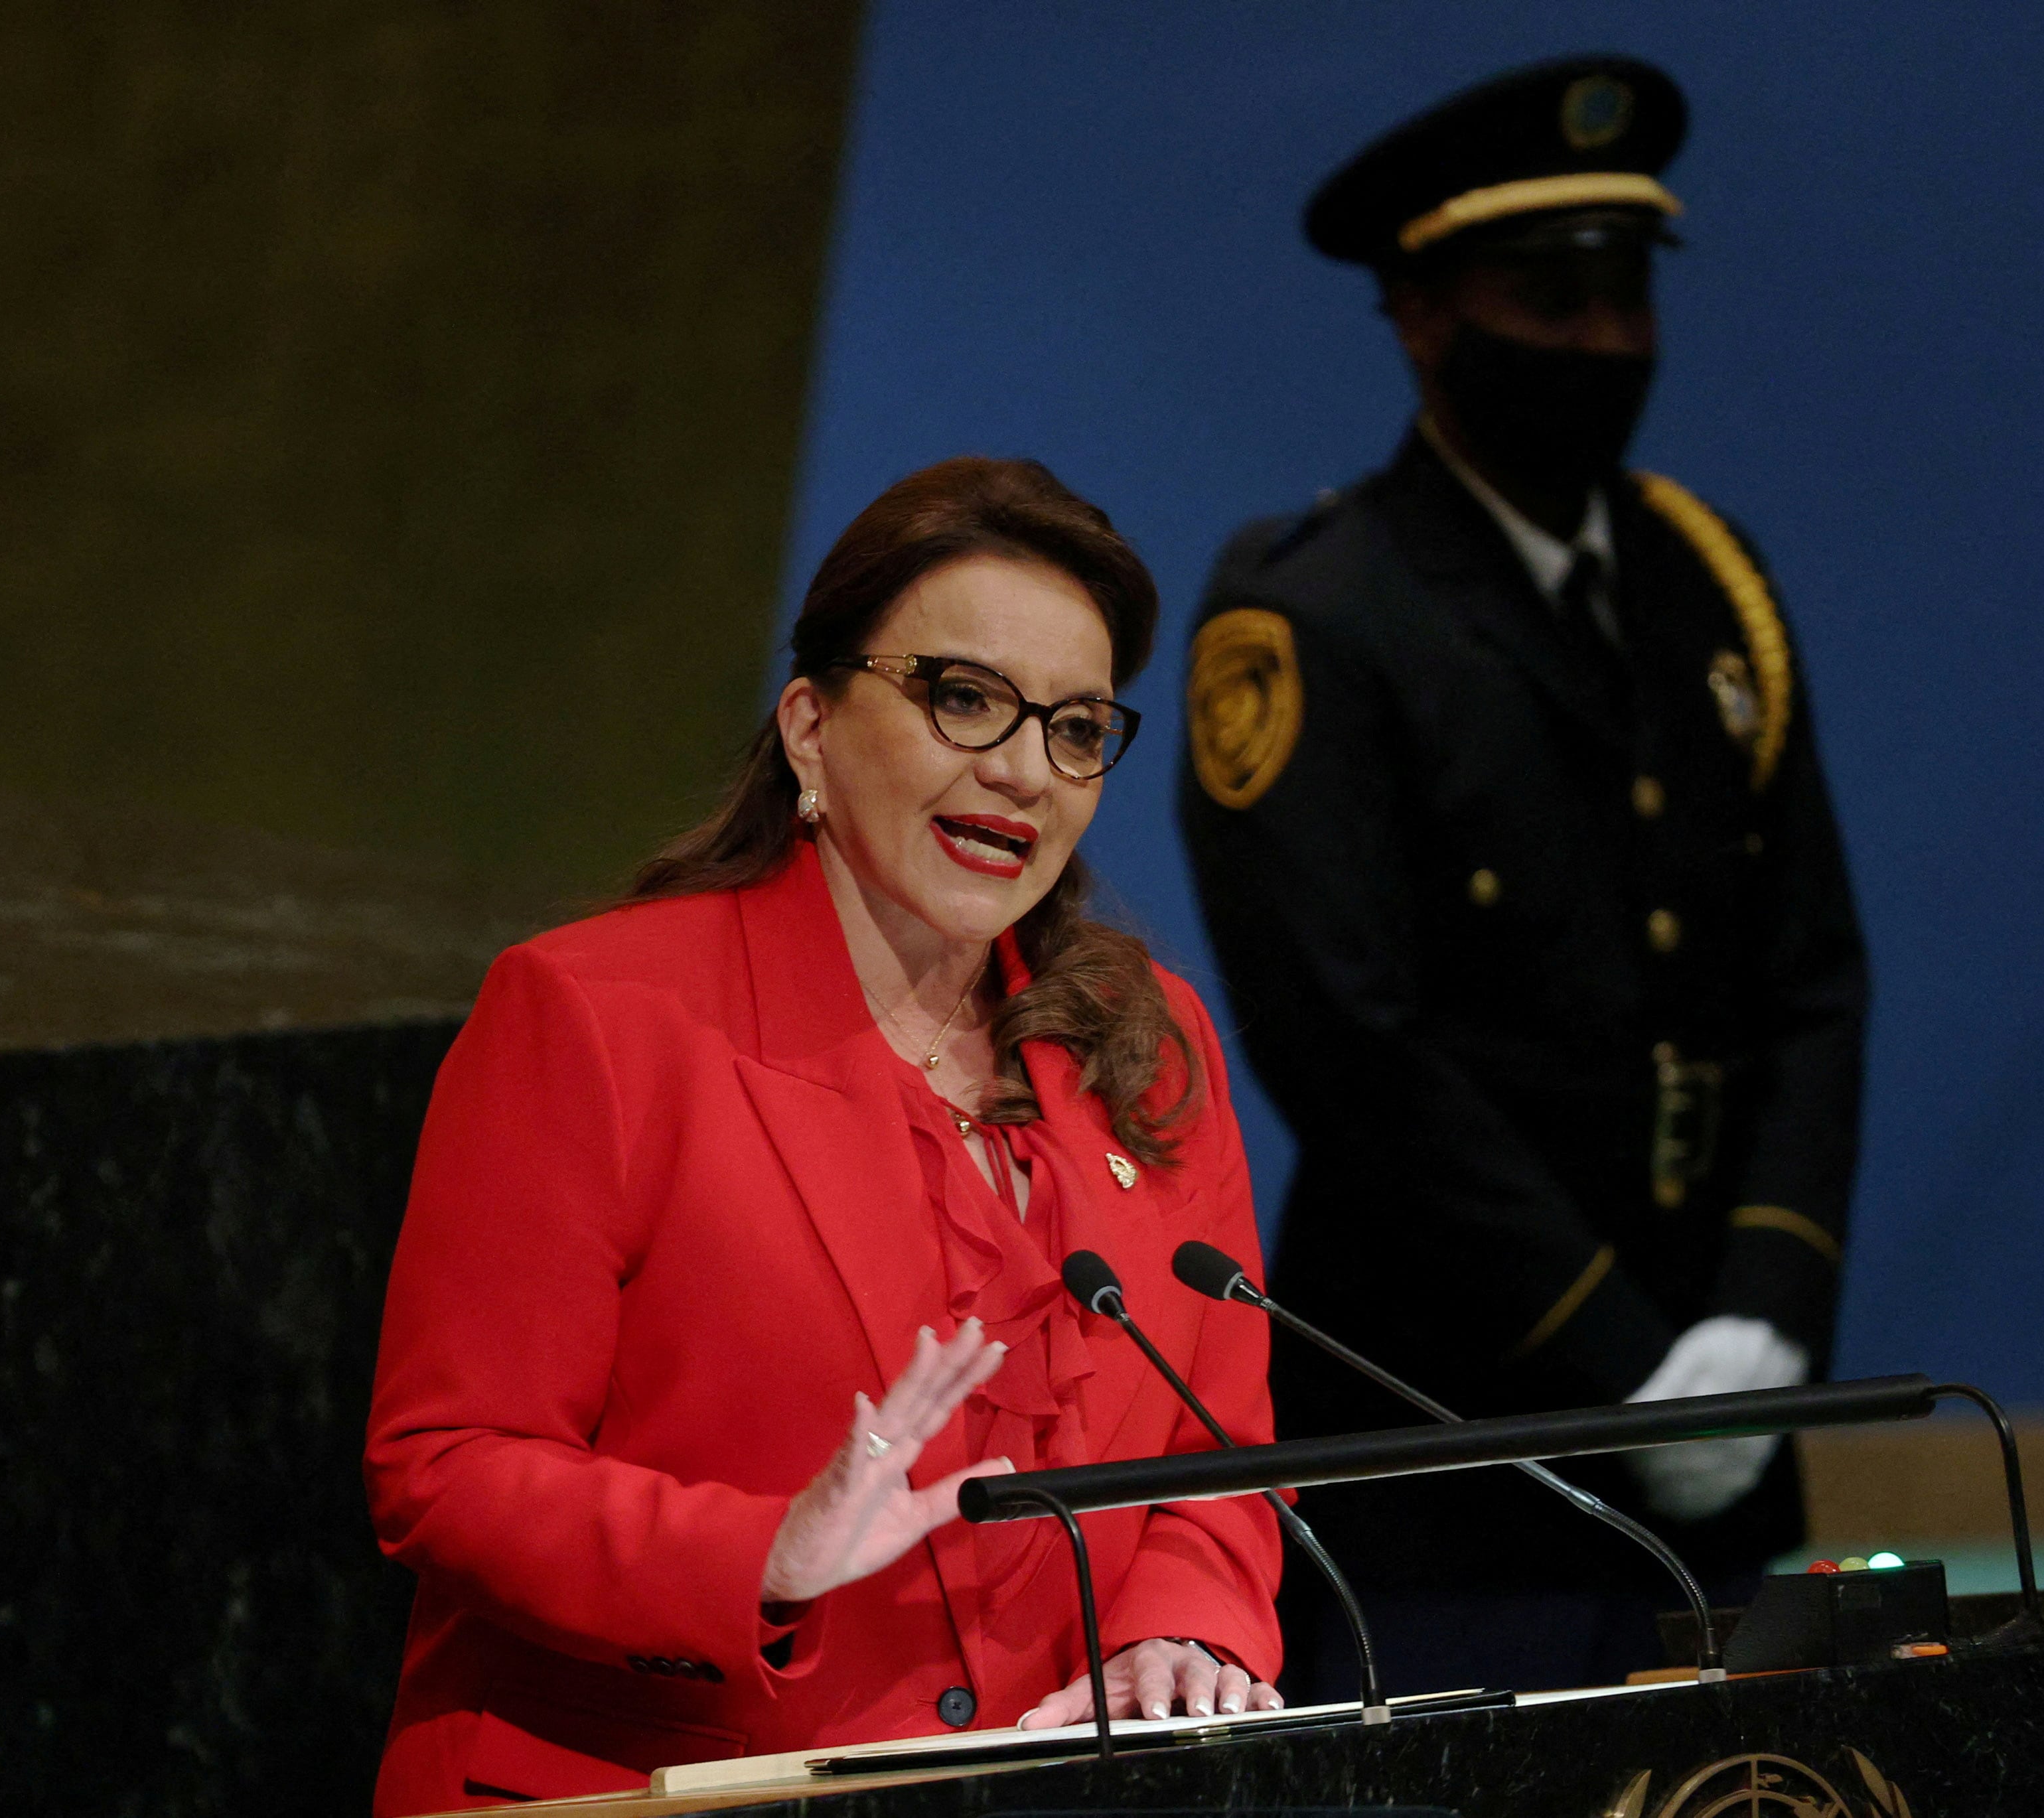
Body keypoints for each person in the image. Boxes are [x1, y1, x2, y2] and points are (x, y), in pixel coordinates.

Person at [366, 456, 1284, 1813]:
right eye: (963, 698)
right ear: (810, 726)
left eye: (1076, 728)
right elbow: (445, 1468)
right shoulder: (597, 1017)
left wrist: (1184, 1626)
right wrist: (764, 1555)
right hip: (655, 1787)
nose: (1022, 772)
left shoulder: (1151, 1047)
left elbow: (1222, 1465)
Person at [1177, 55, 1869, 1695]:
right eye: (1551, 299)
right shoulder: (1314, 610)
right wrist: (1623, 1367)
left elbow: (1814, 978)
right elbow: (1349, 1045)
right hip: (1454, 1449)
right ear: (1422, 315)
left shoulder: (1710, 577)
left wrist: (1766, 1314)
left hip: (1726, 1417)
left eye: (1629, 294)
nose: (1607, 341)